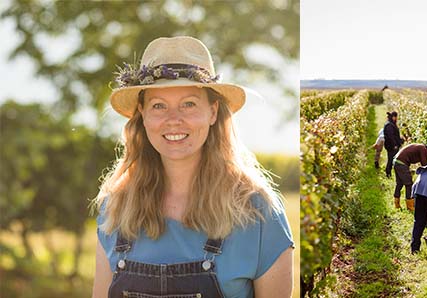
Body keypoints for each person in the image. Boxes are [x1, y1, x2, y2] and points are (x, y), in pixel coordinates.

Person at [91, 36, 292, 297]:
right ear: (142, 114)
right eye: (159, 106)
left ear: (212, 111)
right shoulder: (116, 209)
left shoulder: (258, 213)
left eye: (189, 104)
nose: (174, 120)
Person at [392, 143, 427, 210]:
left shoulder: (421, 147)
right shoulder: (423, 149)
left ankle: (397, 204)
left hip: (397, 161)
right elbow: (424, 164)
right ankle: (410, 206)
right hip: (402, 163)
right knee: (409, 184)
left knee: (399, 183)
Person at [382, 111, 404, 178]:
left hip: (391, 145)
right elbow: (391, 137)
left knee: (392, 159)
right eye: (396, 117)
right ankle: (388, 173)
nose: (397, 119)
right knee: (391, 159)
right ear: (394, 117)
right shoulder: (389, 125)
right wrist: (394, 145)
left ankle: (389, 173)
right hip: (391, 146)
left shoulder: (390, 124)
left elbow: (394, 135)